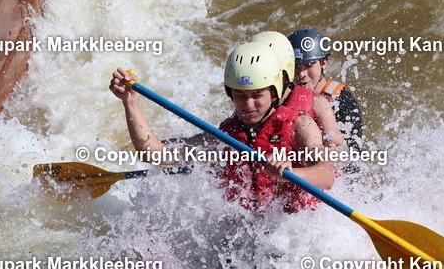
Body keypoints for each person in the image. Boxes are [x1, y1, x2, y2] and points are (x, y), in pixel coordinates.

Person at [109, 42, 332, 213]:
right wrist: (130, 102)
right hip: (247, 231)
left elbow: (327, 174)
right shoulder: (226, 135)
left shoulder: (300, 125)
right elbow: (154, 152)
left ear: (274, 91)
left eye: (257, 95)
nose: (248, 105)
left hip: (294, 230)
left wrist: (292, 173)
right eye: (240, 96)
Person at [249, 31, 345, 155]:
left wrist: (326, 155)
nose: (301, 74)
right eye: (297, 66)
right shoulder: (247, 103)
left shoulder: (318, 103)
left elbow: (340, 151)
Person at [287, 28, 364, 158]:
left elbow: (353, 157)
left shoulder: (342, 101)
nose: (301, 74)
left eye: (309, 65)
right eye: (296, 66)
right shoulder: (282, 94)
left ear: (324, 63)